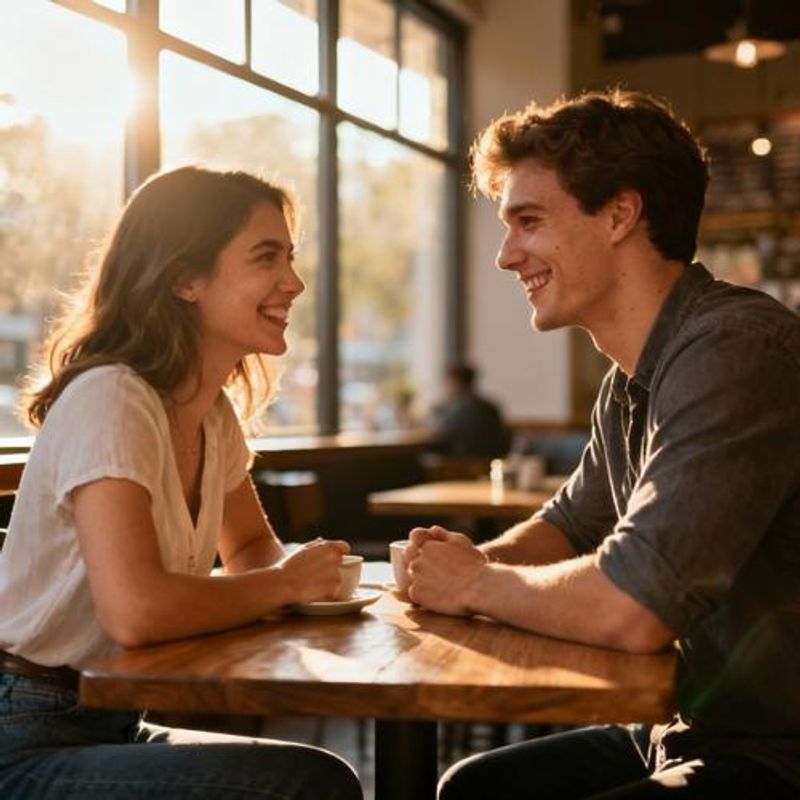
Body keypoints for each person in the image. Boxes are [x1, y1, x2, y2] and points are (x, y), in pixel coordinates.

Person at [405, 89, 800, 799]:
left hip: (780, 751)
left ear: (621, 214)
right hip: (688, 725)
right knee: (474, 789)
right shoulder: (629, 381)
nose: (504, 256)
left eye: (528, 221)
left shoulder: (737, 348)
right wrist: (459, 565)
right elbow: (568, 525)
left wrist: (472, 585)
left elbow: (636, 604)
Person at [0, 166, 362, 799]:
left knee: (318, 776)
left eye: (291, 257)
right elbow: (136, 612)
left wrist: (304, 580)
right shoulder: (112, 399)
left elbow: (249, 548)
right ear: (184, 278)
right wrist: (282, 586)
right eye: (265, 257)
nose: (295, 282)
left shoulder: (208, 412)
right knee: (307, 786)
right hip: (23, 738)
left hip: (111, 720)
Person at [432, 363, 511, 458]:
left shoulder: (458, 409)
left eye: (448, 382)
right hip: (491, 460)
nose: (445, 386)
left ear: (457, 382)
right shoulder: (490, 406)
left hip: (460, 464)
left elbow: (441, 435)